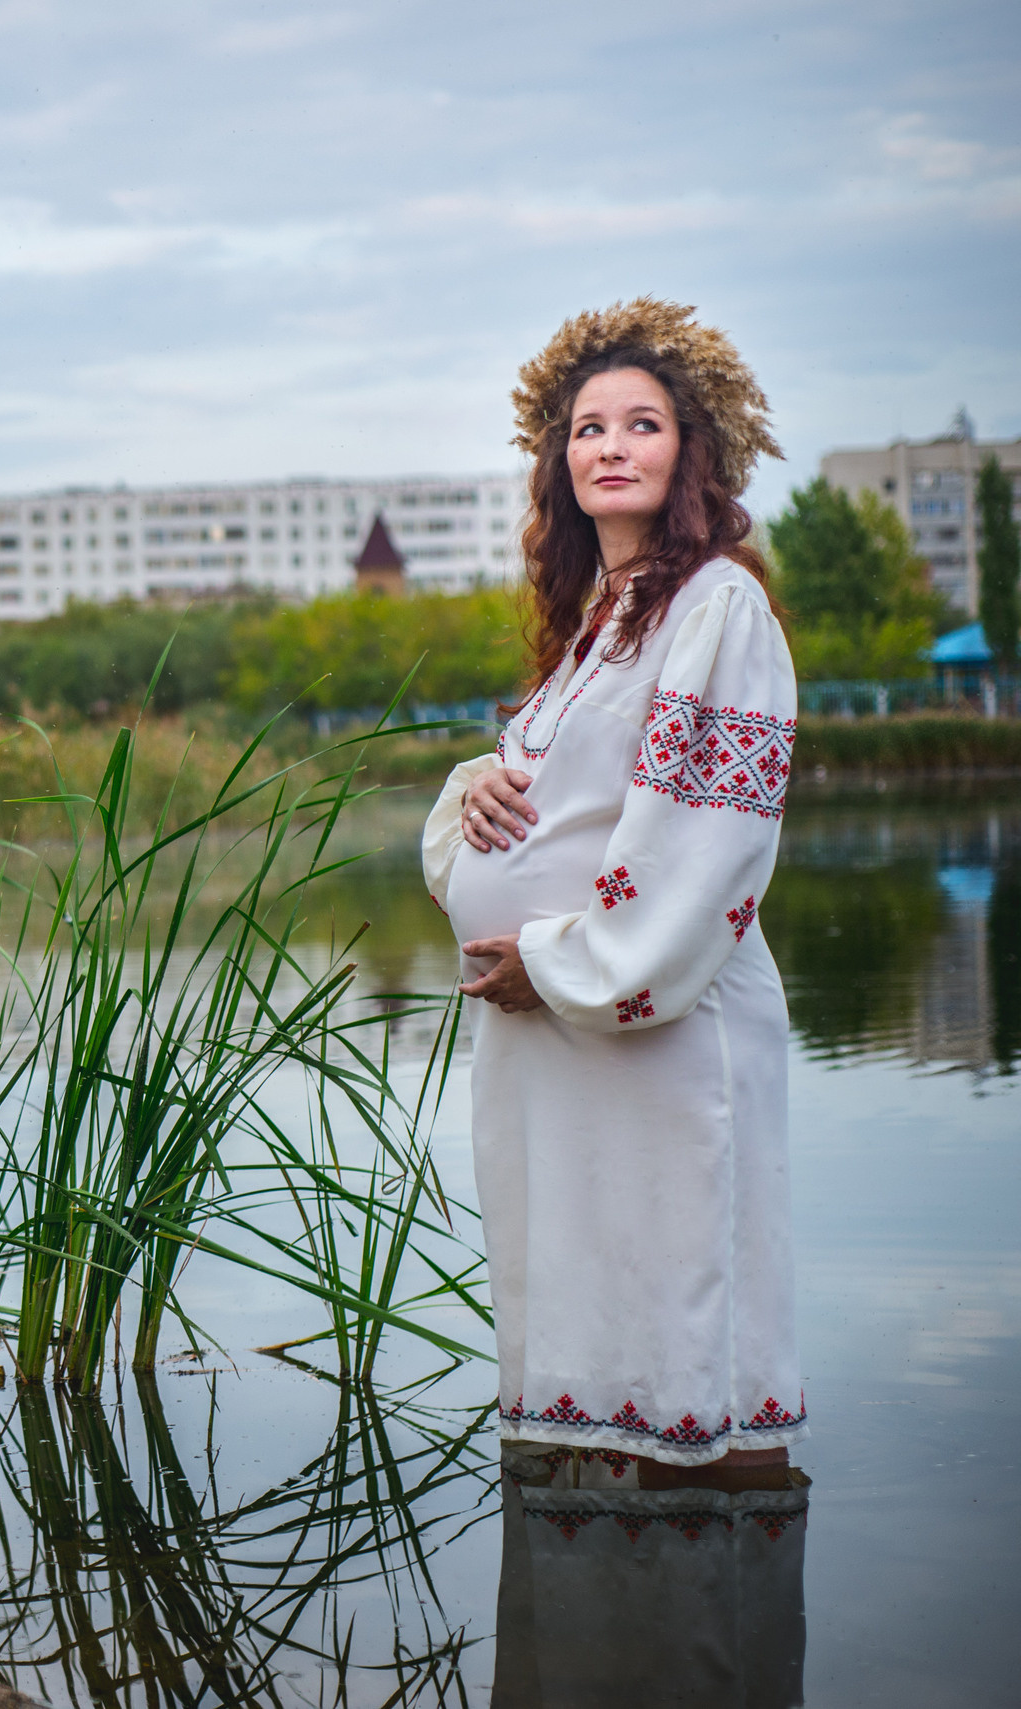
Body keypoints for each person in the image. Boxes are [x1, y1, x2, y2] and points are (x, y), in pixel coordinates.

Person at [422, 298, 806, 1494]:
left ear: (692, 449)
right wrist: (479, 781)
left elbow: (708, 831)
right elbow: (556, 800)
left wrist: (571, 963)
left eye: (641, 423)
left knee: (684, 1320)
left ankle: (698, 1627)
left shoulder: (715, 606)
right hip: (565, 1038)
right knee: (594, 1330)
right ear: (560, 460)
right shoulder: (600, 620)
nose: (609, 445)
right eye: (586, 427)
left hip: (655, 1015)